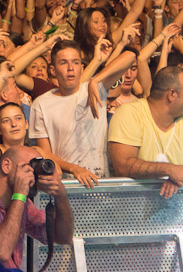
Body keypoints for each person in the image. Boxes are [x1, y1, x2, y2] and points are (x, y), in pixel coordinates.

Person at [29, 38, 136, 186]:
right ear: (52, 70)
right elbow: (46, 154)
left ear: (82, 67)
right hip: (66, 183)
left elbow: (130, 57)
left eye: (75, 62)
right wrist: (75, 169)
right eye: (63, 63)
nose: (71, 68)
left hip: (100, 180)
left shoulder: (95, 89)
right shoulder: (40, 104)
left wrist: (95, 80)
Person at [108, 66, 183, 198]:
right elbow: (123, 166)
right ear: (172, 94)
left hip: (180, 213)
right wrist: (169, 170)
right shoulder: (130, 113)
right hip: (133, 210)